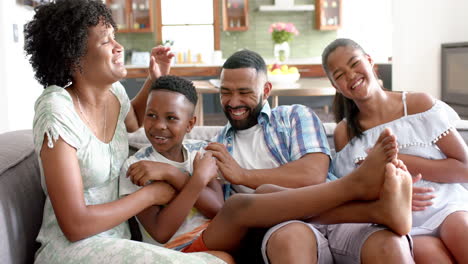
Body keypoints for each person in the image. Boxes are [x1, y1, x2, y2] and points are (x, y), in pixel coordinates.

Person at [119, 74, 412, 262]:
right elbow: (160, 232)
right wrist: (193, 180)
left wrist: (175, 175)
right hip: (180, 249)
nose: (159, 125)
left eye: (171, 118)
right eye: (152, 116)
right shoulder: (137, 165)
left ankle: (376, 211)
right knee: (240, 204)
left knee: (269, 191)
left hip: (219, 232)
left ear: (191, 124)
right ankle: (355, 187)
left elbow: (215, 207)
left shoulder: (201, 151)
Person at [24, 0, 230, 263]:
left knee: (222, 257)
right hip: (73, 248)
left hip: (117, 243)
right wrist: (150, 195)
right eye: (106, 41)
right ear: (74, 56)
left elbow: (133, 121)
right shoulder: (56, 110)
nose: (118, 47)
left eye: (115, 37)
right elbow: (74, 225)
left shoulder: (114, 94)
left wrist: (155, 79)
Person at [205, 49, 414, 263]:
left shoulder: (294, 115)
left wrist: (243, 175)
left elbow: (312, 174)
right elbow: (225, 213)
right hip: (283, 226)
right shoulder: (216, 147)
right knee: (271, 204)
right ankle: (370, 203)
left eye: (244, 92)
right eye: (225, 92)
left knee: (390, 245)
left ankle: (369, 201)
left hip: (337, 214)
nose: (233, 102)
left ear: (266, 90)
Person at [323, 38, 468, 263]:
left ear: (370, 61)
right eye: (339, 75)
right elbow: (352, 192)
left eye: (354, 64)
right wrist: (392, 195)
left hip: (446, 205)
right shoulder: (344, 133)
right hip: (403, 222)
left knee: (463, 232)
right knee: (431, 257)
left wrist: (397, 159)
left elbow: (464, 169)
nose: (350, 76)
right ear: (335, 86)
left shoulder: (418, 104)